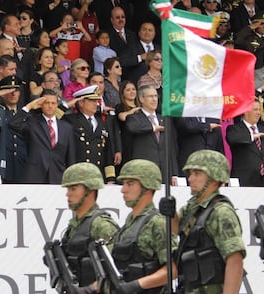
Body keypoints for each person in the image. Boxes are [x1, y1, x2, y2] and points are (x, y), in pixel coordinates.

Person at [172, 150, 246, 293]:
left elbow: (235, 261)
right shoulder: (192, 207)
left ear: (214, 177)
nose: (190, 179)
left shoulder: (221, 212)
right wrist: (170, 213)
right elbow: (174, 230)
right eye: (190, 174)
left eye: (197, 174)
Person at [112, 159, 178, 293]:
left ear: (147, 186)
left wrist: (137, 285)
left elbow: (173, 269)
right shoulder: (128, 225)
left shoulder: (157, 223)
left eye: (130, 184)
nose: (123, 190)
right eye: (123, 184)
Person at [58, 162, 119, 290]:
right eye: (68, 189)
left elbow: (115, 271)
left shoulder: (102, 225)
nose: (68, 194)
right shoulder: (73, 227)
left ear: (90, 191)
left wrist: (90, 289)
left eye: (73, 189)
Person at [9, 89, 76, 184]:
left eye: (53, 103)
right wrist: (29, 106)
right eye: (46, 103)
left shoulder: (67, 127)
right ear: (41, 105)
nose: (50, 106)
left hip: (58, 177)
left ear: (57, 105)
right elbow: (13, 124)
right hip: (35, 176)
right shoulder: (33, 122)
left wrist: (71, 179)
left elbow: (70, 157)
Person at [63, 85, 117, 183]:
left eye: (96, 101)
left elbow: (108, 151)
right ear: (81, 102)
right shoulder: (71, 120)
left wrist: (110, 178)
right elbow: (53, 117)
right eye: (92, 101)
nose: (96, 104)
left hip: (98, 174)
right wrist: (67, 105)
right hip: (78, 174)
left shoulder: (102, 122)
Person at [126, 85, 179, 185]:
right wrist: (153, 129)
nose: (154, 99)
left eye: (155, 96)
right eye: (150, 96)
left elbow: (171, 148)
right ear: (141, 99)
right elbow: (132, 127)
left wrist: (174, 173)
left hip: (164, 172)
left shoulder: (164, 119)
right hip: (143, 171)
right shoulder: (134, 118)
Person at [227, 98, 264, 187]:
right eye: (255, 110)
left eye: (259, 110)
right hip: (244, 181)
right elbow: (232, 139)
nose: (258, 113)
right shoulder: (235, 129)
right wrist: (252, 136)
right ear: (245, 111)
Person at [0, 75, 28, 184]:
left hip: (22, 166)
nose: (13, 93)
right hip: (4, 166)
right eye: (9, 90)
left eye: (16, 90)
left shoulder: (26, 114)